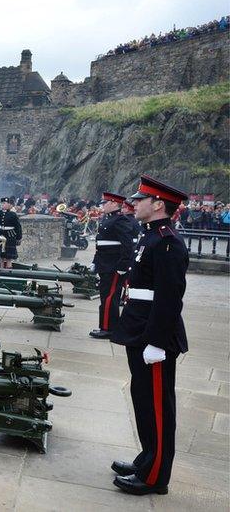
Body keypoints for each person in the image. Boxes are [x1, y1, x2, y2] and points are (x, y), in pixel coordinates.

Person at [109, 175, 189, 496]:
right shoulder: (151, 236)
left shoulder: (167, 242)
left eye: (141, 199)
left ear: (158, 204)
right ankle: (146, 460)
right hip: (138, 328)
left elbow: (169, 297)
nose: (134, 203)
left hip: (153, 335)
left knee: (157, 406)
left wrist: (156, 342)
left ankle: (155, 476)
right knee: (143, 401)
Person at [89, 192, 136, 340]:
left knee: (110, 297)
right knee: (105, 296)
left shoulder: (120, 220)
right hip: (105, 263)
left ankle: (109, 328)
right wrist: (95, 262)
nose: (103, 205)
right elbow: (101, 245)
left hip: (113, 265)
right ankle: (106, 326)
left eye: (106, 203)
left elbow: (127, 245)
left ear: (115, 204)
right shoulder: (109, 219)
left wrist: (123, 265)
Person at [0, 197, 22, 269]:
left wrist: (19, 238)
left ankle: (8, 272)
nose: (2, 205)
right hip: (1, 235)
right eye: (2, 203)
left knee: (8, 257)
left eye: (4, 203)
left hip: (10, 236)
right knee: (1, 256)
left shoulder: (13, 214)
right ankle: (0, 272)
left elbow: (18, 227)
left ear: (9, 205)